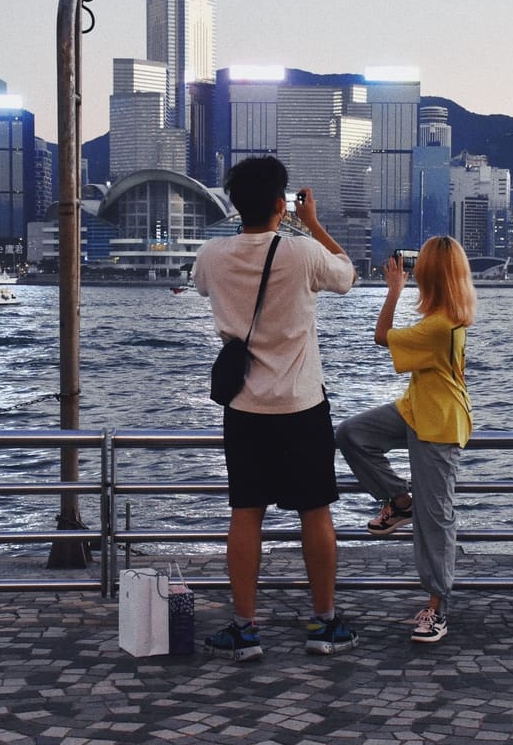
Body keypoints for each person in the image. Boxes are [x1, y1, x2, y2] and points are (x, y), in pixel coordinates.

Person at [192, 156, 358, 662]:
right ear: (281, 205)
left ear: (233, 203)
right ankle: (325, 623)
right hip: (303, 403)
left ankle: (244, 628)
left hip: (244, 406)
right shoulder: (302, 251)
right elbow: (347, 276)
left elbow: (202, 286)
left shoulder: (212, 256)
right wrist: (312, 224)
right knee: (315, 511)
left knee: (245, 514)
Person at [335, 235, 476, 644]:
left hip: (438, 423)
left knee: (435, 520)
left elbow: (382, 336)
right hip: (417, 407)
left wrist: (393, 291)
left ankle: (437, 608)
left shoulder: (437, 326)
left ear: (429, 276)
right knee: (351, 434)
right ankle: (399, 500)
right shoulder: (449, 314)